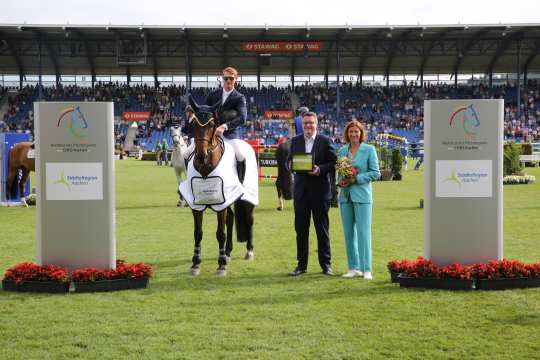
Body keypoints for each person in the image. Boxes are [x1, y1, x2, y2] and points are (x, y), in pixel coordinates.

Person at [287, 111, 337, 276]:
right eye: (306, 123)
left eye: (311, 123)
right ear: (302, 124)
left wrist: (320, 169)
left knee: (322, 230)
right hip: (301, 193)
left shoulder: (325, 141)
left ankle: (326, 265)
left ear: (317, 124)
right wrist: (293, 166)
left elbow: (333, 162)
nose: (308, 125)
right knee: (301, 230)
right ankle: (301, 265)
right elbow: (288, 162)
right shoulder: (295, 141)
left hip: (320, 192)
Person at [337, 120, 380, 279]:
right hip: (345, 196)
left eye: (356, 131)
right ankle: (353, 267)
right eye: (350, 132)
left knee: (363, 232)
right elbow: (340, 172)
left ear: (361, 133)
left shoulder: (369, 150)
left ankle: (366, 268)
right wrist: (340, 180)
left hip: (362, 196)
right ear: (347, 134)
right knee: (349, 233)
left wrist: (357, 178)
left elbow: (376, 173)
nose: (353, 134)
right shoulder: (342, 151)